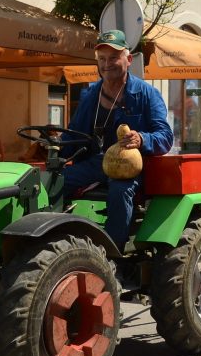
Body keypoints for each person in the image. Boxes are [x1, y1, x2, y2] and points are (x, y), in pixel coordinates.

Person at [61, 29, 173, 249]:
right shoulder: (90, 95)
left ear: (128, 60)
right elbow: (74, 135)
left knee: (120, 190)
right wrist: (55, 149)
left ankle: (113, 252)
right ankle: (58, 242)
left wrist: (142, 139)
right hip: (96, 164)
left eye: (113, 58)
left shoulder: (147, 94)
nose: (107, 64)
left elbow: (166, 136)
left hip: (131, 168)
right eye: (102, 59)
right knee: (53, 182)